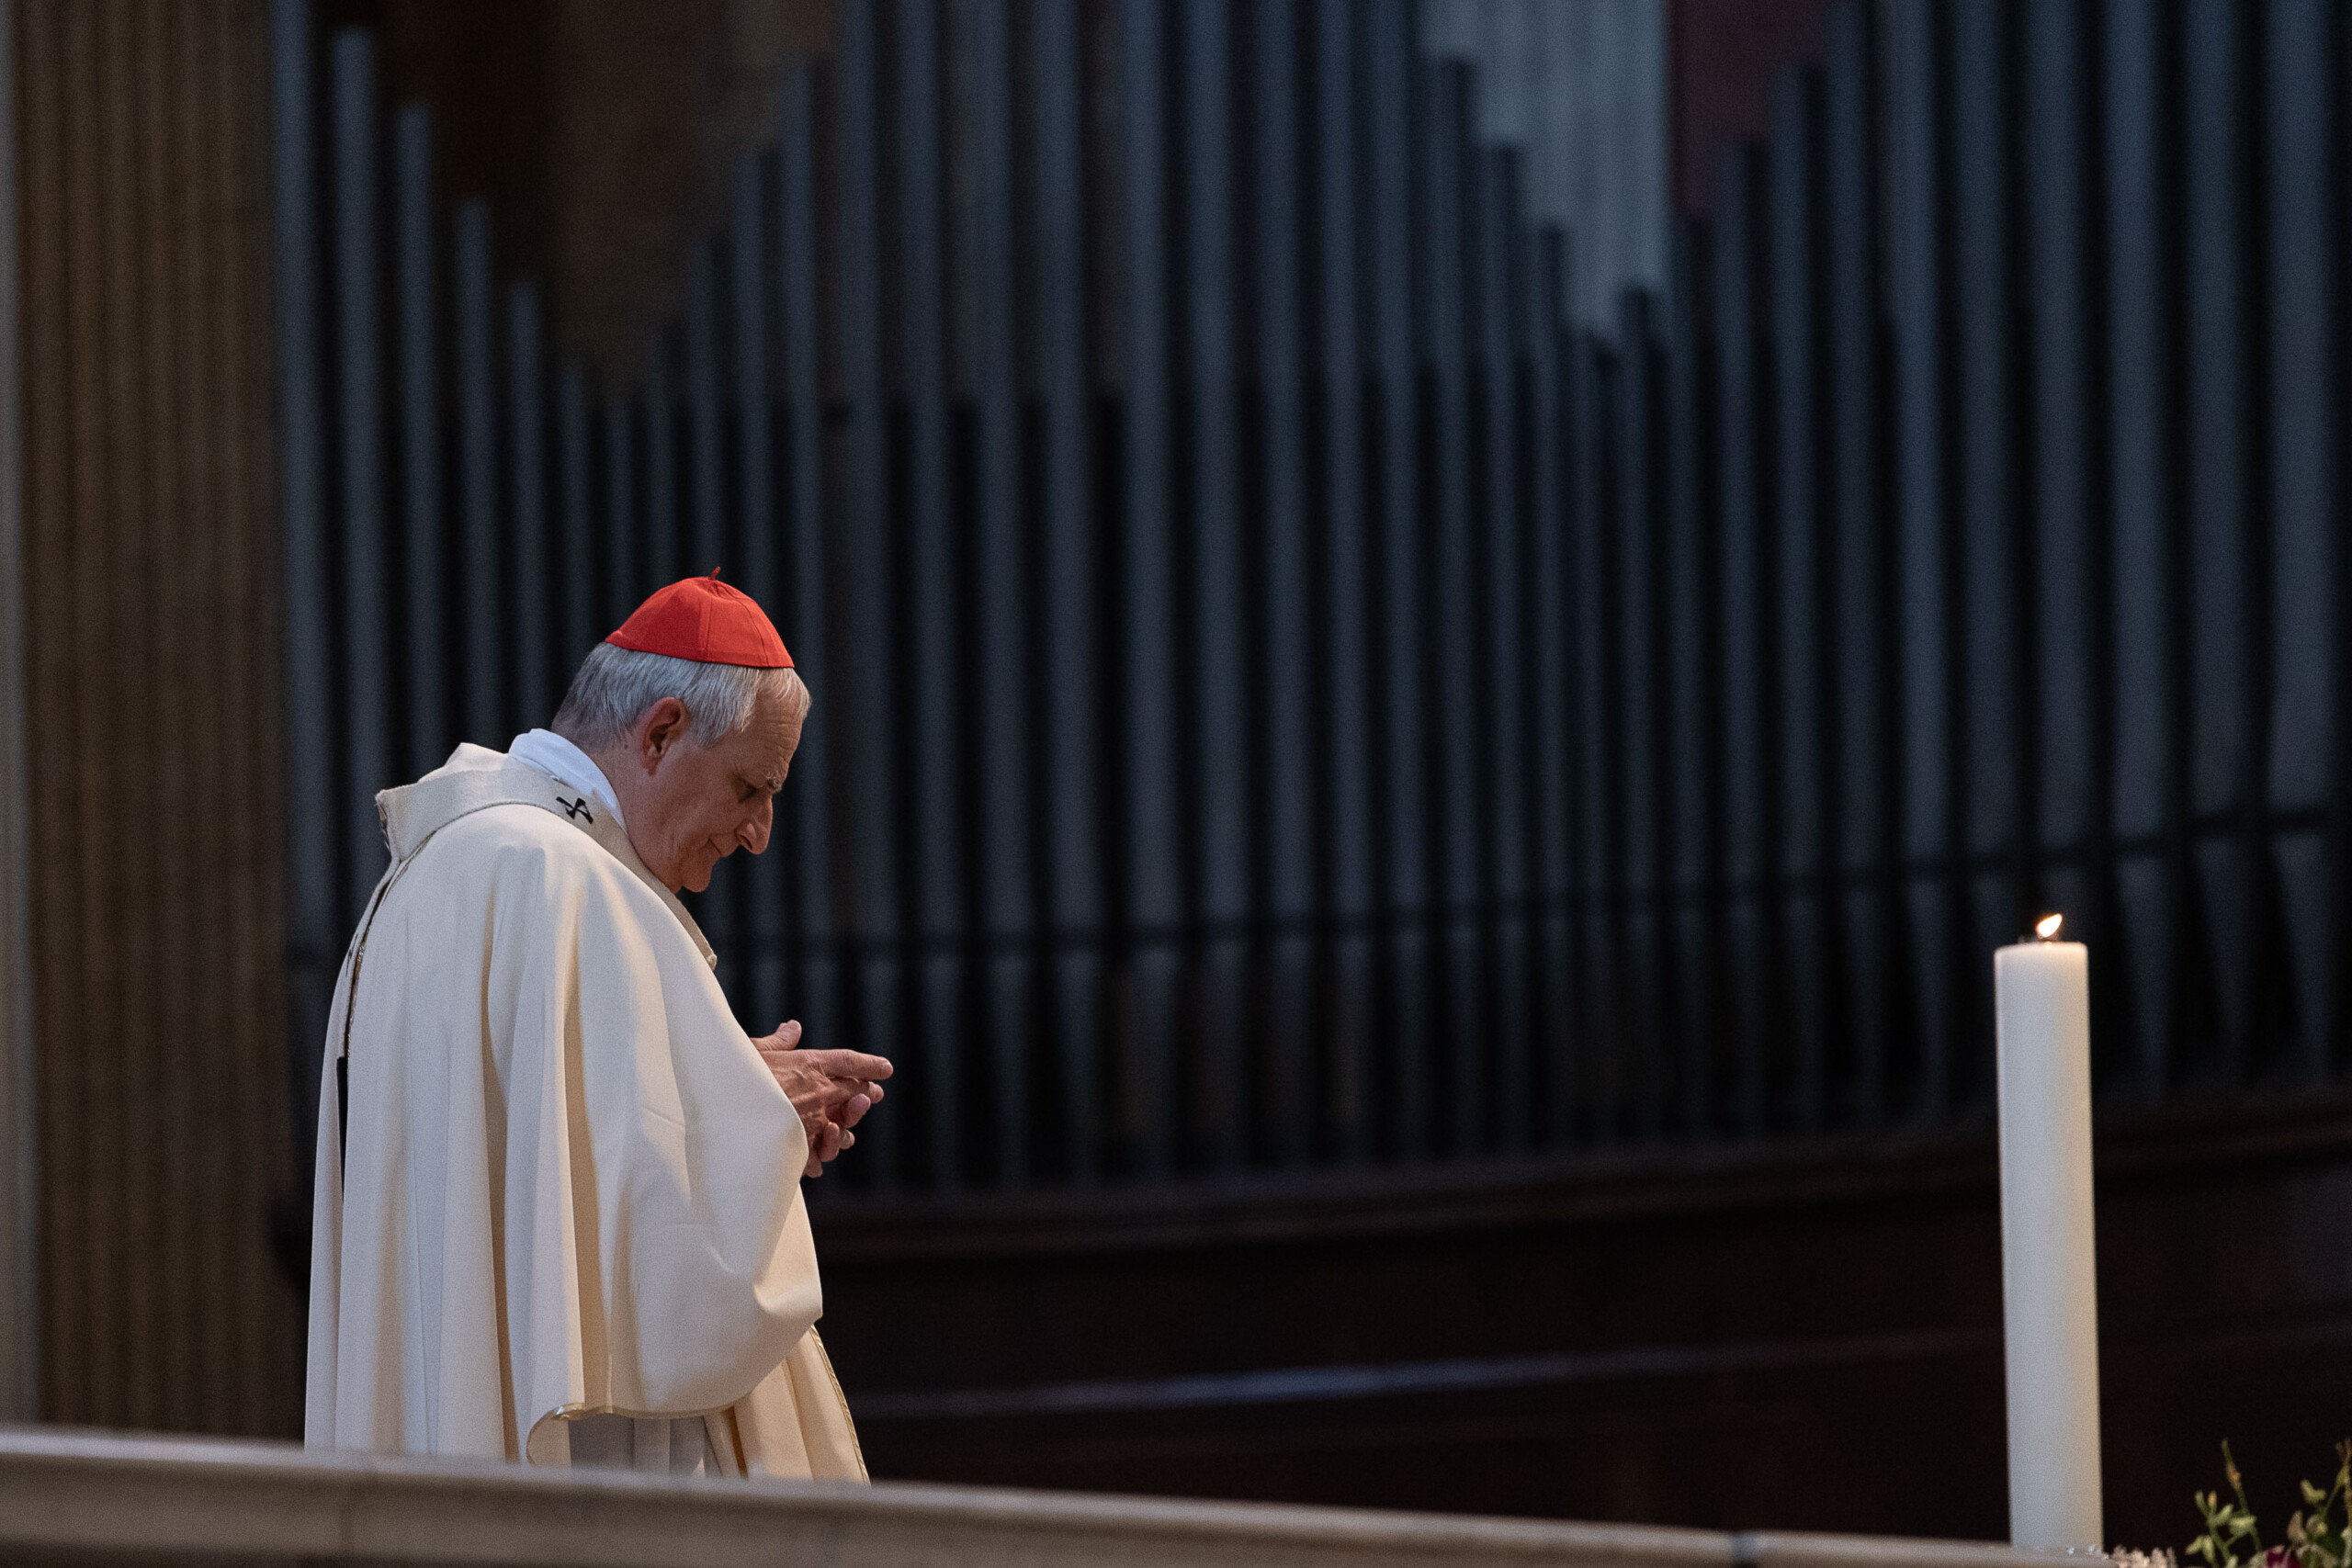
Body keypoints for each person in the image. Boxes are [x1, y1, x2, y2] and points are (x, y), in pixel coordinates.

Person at [305, 574, 890, 1480]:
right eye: (749, 786)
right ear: (659, 733)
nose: (758, 833)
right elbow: (622, 1254)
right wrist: (747, 1111)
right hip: (597, 1458)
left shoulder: (470, 867)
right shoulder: (549, 876)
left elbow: (556, 1160)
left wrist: (737, 1105)